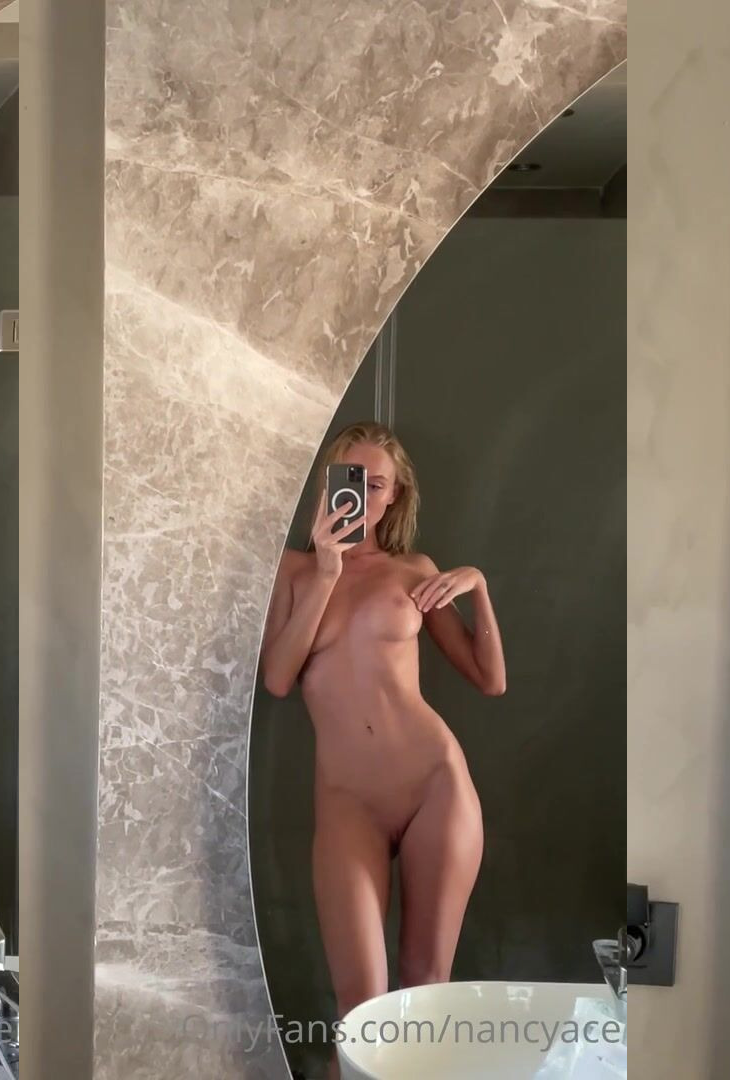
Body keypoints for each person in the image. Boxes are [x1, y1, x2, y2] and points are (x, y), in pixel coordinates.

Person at [260, 421, 506, 1040]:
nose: (362, 495)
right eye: (351, 479)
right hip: (348, 803)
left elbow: (489, 678)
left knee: (426, 989)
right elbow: (279, 679)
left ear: (395, 495)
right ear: (328, 483)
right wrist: (326, 571)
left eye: (377, 485)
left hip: (434, 784)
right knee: (359, 1009)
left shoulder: (412, 570)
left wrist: (477, 586)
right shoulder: (292, 571)